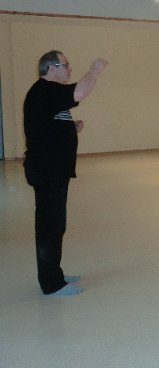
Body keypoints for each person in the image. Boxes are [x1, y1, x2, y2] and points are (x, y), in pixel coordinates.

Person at [23, 50, 108, 296]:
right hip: (47, 171)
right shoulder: (45, 90)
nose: (70, 70)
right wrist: (94, 71)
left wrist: (70, 127)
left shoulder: (46, 94)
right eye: (66, 65)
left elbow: (45, 125)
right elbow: (79, 92)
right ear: (52, 68)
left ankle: (54, 273)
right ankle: (51, 284)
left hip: (53, 170)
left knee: (55, 225)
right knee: (50, 227)